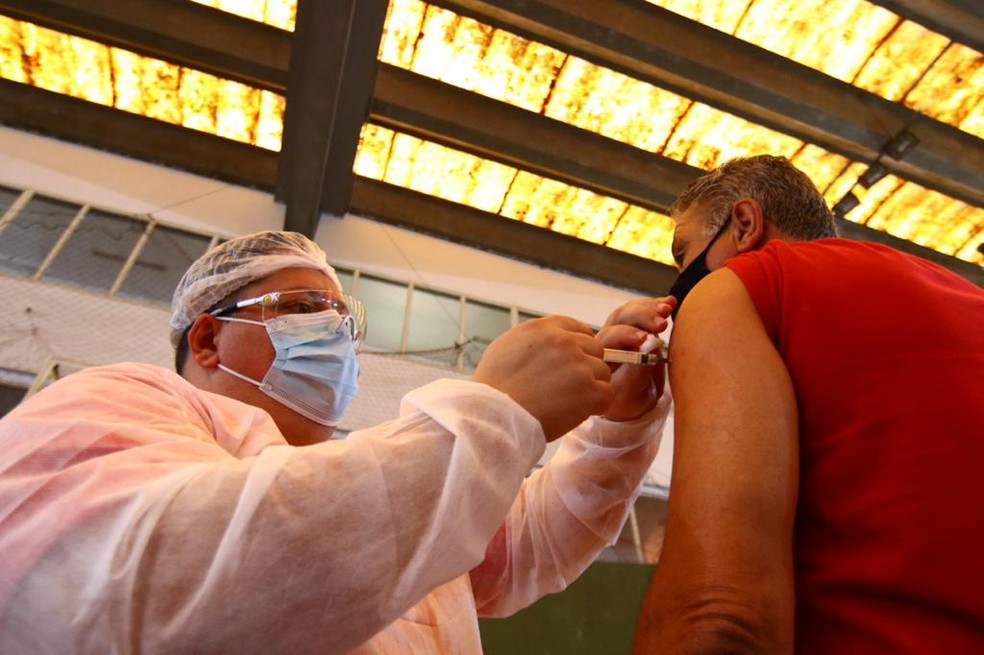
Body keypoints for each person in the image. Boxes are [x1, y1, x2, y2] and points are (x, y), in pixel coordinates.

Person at [0, 230, 676, 654]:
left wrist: (619, 422)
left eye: (342, 322)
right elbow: (151, 585)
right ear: (206, 337)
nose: (333, 334)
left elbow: (523, 545)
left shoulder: (376, 480)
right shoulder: (114, 401)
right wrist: (494, 410)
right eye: (302, 310)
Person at [633, 155, 984, 653]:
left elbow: (720, 614)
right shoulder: (967, 299)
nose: (680, 278)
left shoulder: (745, 287)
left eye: (683, 253)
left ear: (745, 224)